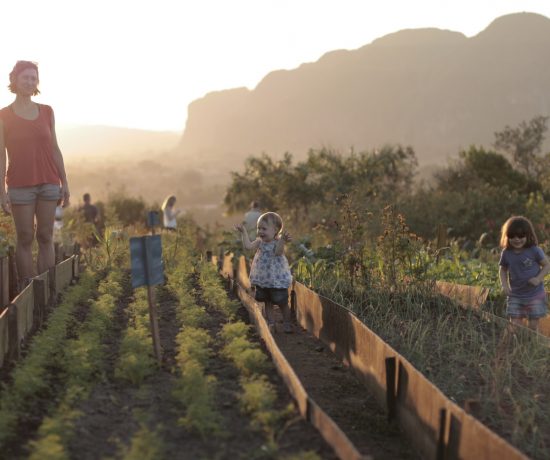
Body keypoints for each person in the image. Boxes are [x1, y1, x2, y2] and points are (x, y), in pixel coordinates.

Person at [0, 61, 70, 284]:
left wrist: (65, 182)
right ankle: (28, 289)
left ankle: (47, 291)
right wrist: (2, 191)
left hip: (49, 181)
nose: (30, 82)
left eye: (33, 78)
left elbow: (55, 149)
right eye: (25, 77)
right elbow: (1, 155)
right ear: (14, 80)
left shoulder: (47, 111)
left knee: (45, 235)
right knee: (25, 237)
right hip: (20, 184)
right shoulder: (4, 116)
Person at [235, 212, 293, 333]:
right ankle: (271, 323)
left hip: (276, 279)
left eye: (264, 229)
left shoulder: (277, 243)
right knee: (267, 301)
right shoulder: (259, 242)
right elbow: (248, 246)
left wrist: (282, 240)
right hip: (264, 279)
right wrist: (243, 232)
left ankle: (287, 323)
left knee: (281, 301)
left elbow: (278, 252)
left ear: (275, 230)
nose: (260, 231)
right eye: (259, 228)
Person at [499, 216, 550, 331]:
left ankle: (532, 346)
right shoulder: (507, 253)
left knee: (533, 326)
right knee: (515, 326)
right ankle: (516, 346)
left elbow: (547, 265)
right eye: (512, 236)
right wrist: (505, 285)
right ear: (507, 236)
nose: (517, 239)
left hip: (535, 295)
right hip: (515, 295)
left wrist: (538, 279)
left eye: (521, 236)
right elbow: (503, 270)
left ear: (528, 235)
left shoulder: (534, 250)